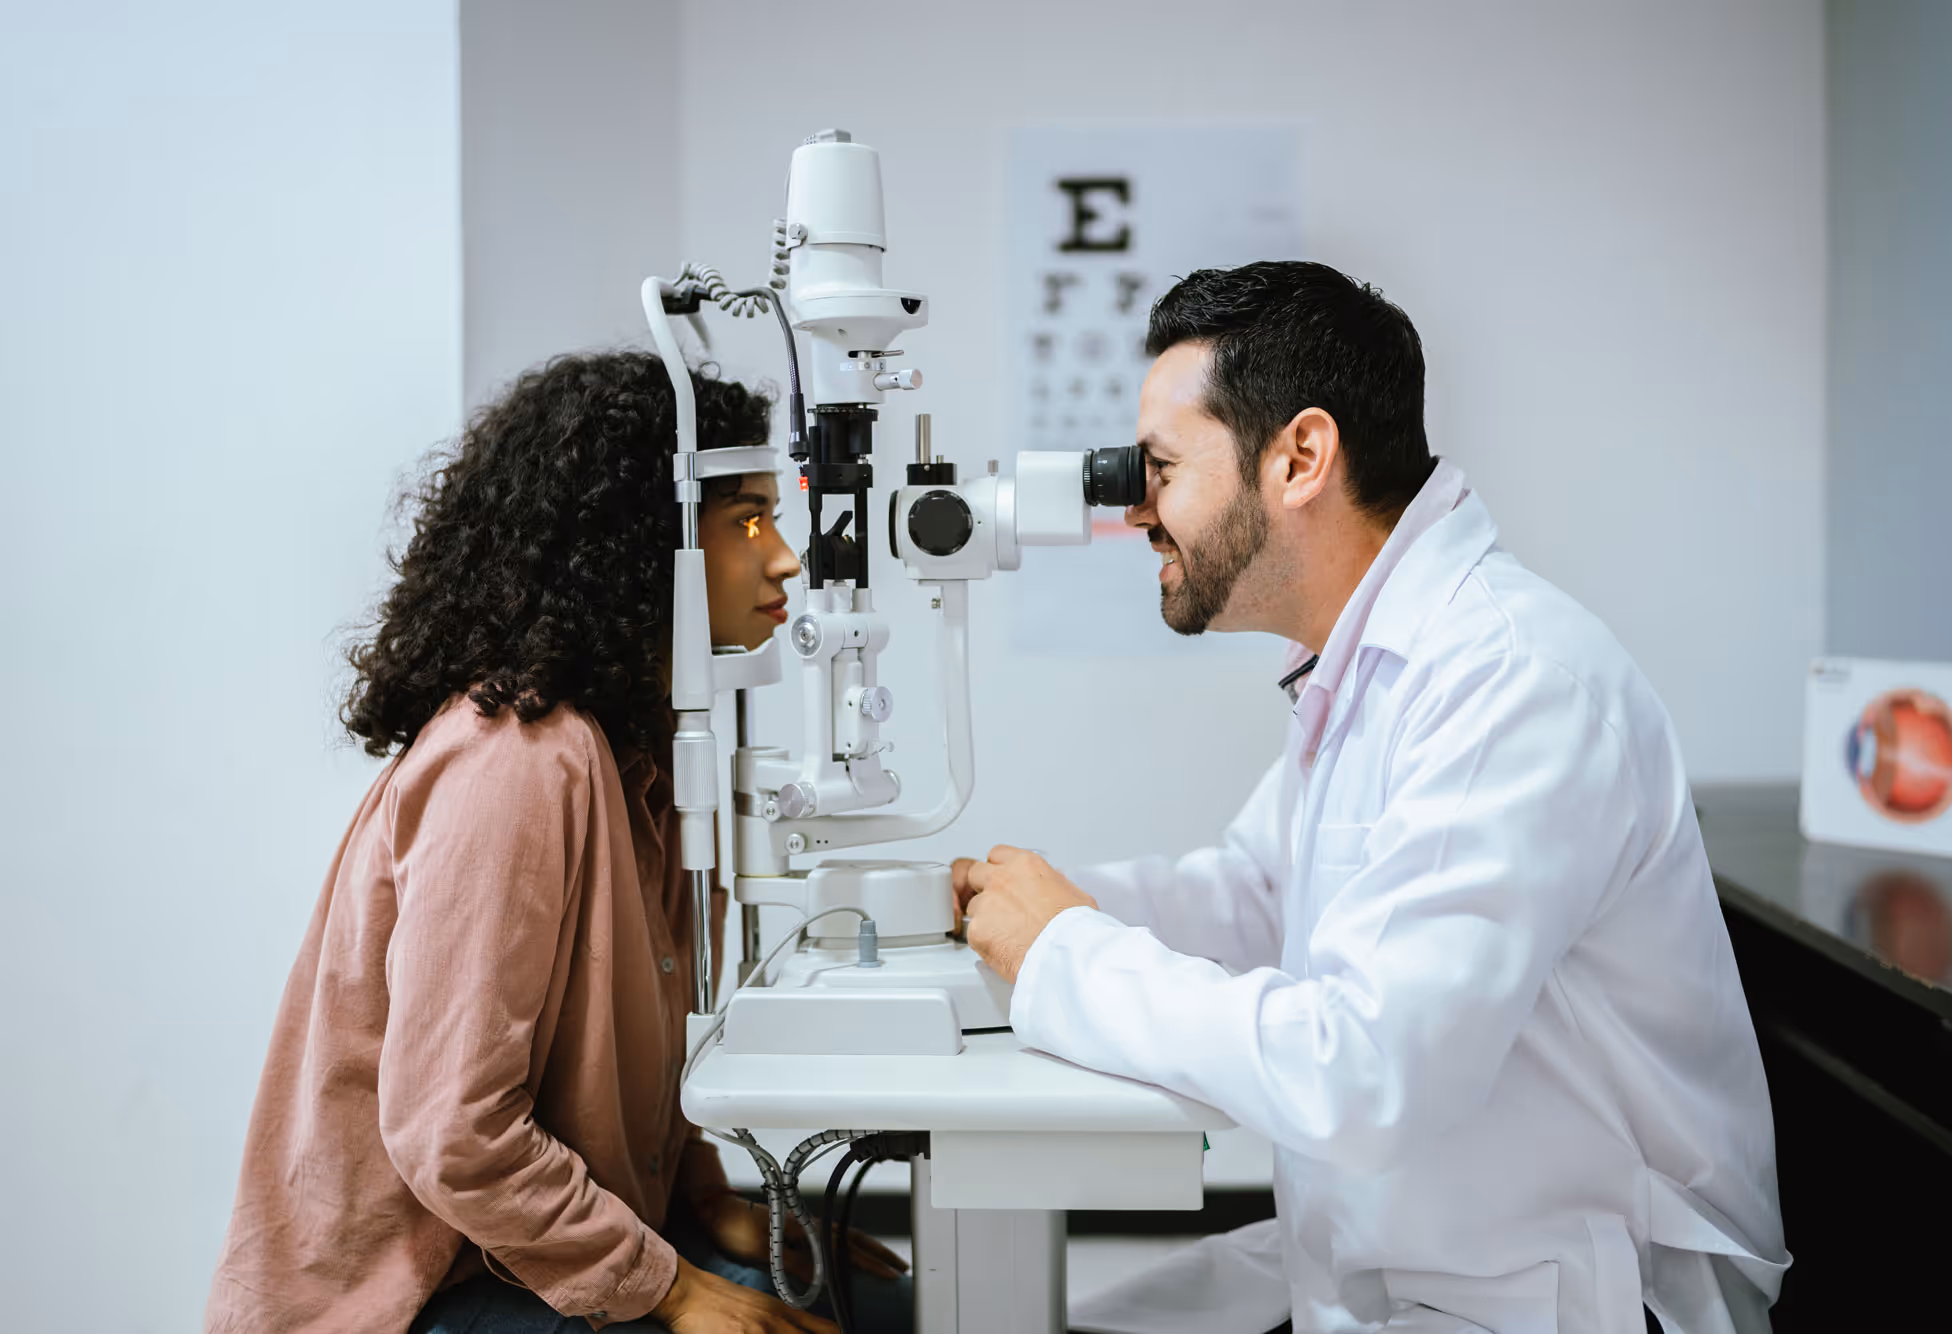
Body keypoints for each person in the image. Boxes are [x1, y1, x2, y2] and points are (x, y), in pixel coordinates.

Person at [957, 263, 1790, 1334]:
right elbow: (1261, 894)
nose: (1134, 510)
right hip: (1411, 1250)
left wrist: (1064, 948)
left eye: (1158, 468)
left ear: (1298, 457)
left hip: (1567, 1293)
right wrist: (1025, 914)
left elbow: (1366, 1072)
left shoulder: (1506, 678)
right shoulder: (1374, 660)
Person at [206, 351, 911, 1334]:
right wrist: (671, 1285)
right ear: (639, 542)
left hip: (535, 1246)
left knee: (881, 1298)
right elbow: (454, 1129)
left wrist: (708, 1201)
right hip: (427, 1292)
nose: (784, 558)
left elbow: (604, 1074)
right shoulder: (522, 758)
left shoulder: (642, 758)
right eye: (747, 521)